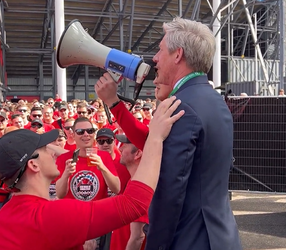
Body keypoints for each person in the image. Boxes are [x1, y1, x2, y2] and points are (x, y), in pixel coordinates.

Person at [95, 16, 242, 249]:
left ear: (178, 54)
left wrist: (156, 244)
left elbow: (169, 192)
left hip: (190, 240)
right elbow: (152, 144)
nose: (154, 58)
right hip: (218, 235)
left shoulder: (180, 106)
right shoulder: (212, 99)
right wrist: (115, 104)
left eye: (160, 50)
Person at [0, 96, 184, 250]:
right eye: (44, 149)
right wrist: (155, 138)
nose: (51, 151)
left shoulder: (0, 220)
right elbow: (133, 204)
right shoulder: (51, 215)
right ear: (34, 165)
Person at [109, 134, 147, 250]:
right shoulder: (134, 180)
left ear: (137, 154)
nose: (120, 148)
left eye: (125, 145)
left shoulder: (141, 186)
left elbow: (138, 237)